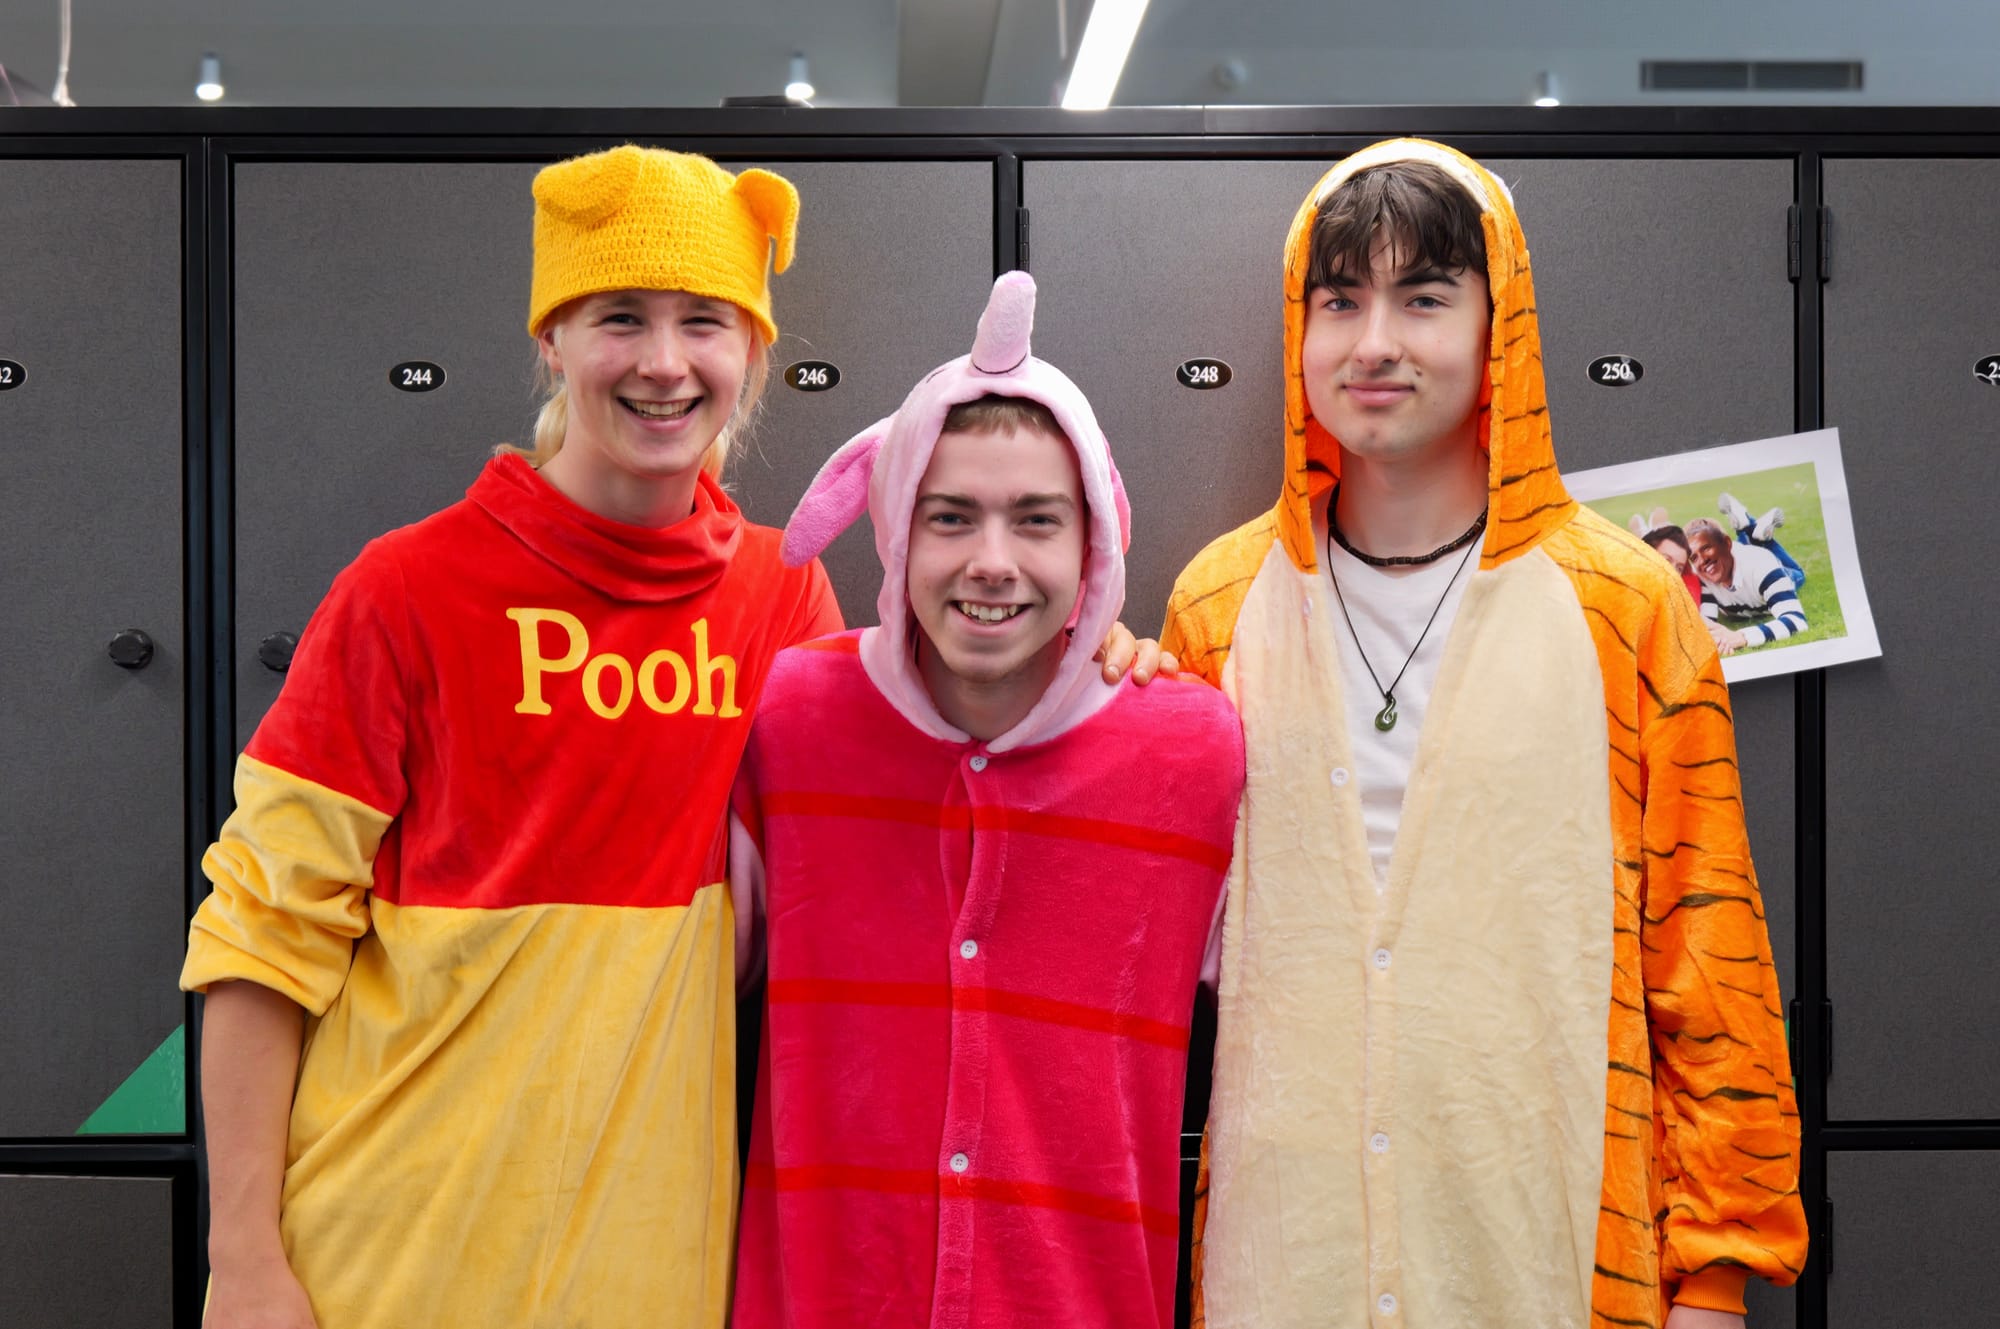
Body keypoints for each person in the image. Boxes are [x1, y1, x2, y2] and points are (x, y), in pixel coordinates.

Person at [180, 144, 1175, 1329]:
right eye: (619, 318)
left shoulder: (781, 603)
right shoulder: (405, 590)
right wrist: (242, 1258)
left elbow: (931, 808)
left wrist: (1093, 661)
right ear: (551, 340)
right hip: (392, 1255)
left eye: (705, 320)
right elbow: (259, 938)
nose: (663, 362)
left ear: (753, 352)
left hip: (659, 1272)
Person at [1163, 139, 1806, 1328]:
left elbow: (1707, 953)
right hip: (1283, 1258)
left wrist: (1714, 1277)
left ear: (1497, 323)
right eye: (1339, 300)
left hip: (1545, 1248)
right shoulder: (1215, 607)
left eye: (1422, 299)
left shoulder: (1624, 607)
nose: (1374, 344)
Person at [728, 272, 1244, 1329]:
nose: (992, 563)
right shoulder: (790, 721)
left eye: (1036, 521)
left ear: (1093, 542)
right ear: (889, 529)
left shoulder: (1192, 753)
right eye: (948, 517)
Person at [1685, 512, 1808, 655]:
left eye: (1706, 548)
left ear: (1726, 543)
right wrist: (1714, 636)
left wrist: (1741, 637)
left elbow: (1797, 620)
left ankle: (1757, 534)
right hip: (1736, 557)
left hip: (1769, 568)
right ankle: (1747, 531)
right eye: (1693, 557)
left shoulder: (1761, 565)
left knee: (1798, 575)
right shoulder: (1700, 574)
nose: (1701, 560)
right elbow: (1707, 624)